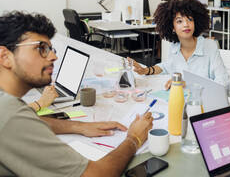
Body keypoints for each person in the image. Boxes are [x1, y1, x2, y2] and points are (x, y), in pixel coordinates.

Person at [0, 11, 153, 177]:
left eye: (51, 49)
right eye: (41, 48)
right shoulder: (8, 112)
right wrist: (133, 139)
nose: (53, 57)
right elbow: (95, 174)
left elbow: (27, 121)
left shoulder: (10, 109)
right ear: (4, 56)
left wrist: (80, 127)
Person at [131, 0, 229, 90]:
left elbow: (223, 83)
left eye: (190, 19)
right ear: (172, 27)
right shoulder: (175, 47)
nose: (186, 24)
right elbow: (166, 66)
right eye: (179, 21)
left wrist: (187, 84)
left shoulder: (209, 46)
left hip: (205, 102)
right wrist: (146, 70)